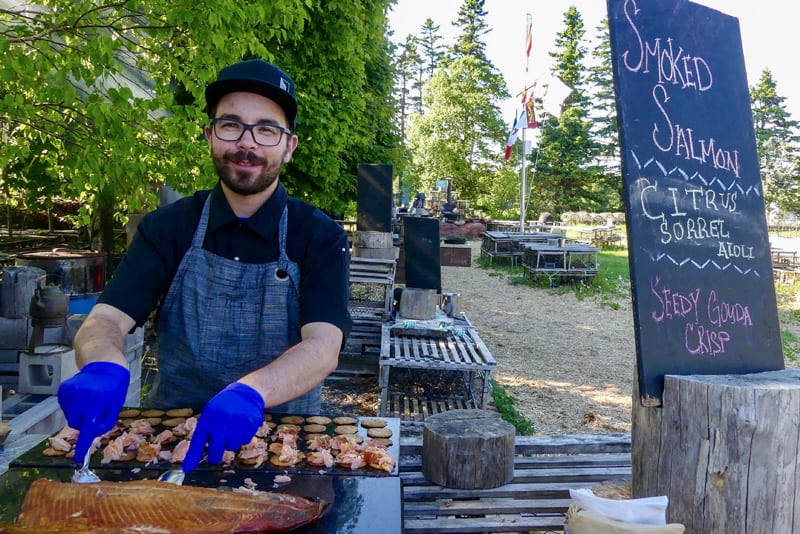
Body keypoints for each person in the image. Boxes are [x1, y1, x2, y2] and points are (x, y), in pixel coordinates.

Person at [57, 59, 352, 473]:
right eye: (231, 125)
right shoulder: (167, 228)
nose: (247, 144)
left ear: (289, 146)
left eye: (267, 129)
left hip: (285, 445)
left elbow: (324, 346)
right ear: (210, 136)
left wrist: (251, 393)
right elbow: (105, 319)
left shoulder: (320, 236)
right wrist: (103, 364)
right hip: (170, 441)